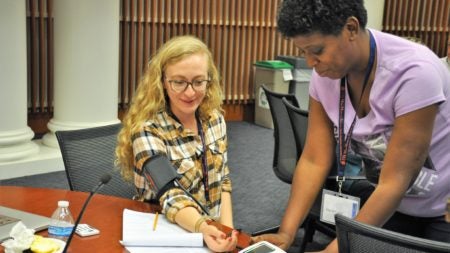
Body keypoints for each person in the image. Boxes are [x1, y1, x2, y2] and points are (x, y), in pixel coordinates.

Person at [253, 0, 450, 252]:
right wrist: (286, 233)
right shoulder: (324, 76)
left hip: (441, 204)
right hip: (393, 203)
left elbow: (396, 180)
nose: (311, 62)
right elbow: (314, 158)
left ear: (351, 28)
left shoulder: (414, 73)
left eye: (317, 50)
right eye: (303, 52)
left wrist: (333, 251)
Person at [115, 35, 238, 252]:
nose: (190, 92)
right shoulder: (147, 129)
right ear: (162, 81)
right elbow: (169, 192)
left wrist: (226, 230)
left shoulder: (215, 120)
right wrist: (202, 226)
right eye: (179, 82)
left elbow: (223, 180)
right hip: (166, 234)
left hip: (210, 234)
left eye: (199, 82)